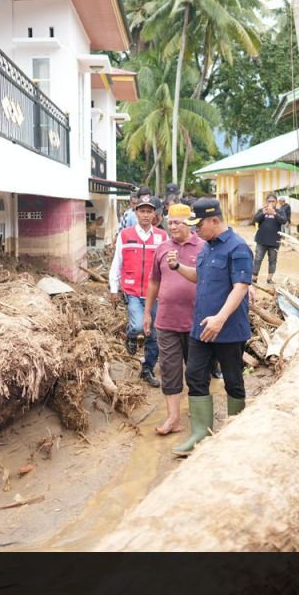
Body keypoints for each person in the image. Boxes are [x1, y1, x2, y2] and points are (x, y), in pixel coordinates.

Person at [167, 197, 254, 456]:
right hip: (201, 327)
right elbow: (199, 276)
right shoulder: (207, 247)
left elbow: (241, 287)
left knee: (233, 380)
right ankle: (200, 433)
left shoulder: (238, 247)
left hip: (228, 330)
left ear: (215, 220)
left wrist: (220, 319)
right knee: (194, 376)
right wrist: (177, 266)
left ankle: (234, 434)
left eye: (199, 225)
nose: (195, 231)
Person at [144, 203, 204, 436]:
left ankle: (200, 415)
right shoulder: (161, 248)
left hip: (196, 321)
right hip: (166, 321)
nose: (173, 226)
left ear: (189, 223)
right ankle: (173, 418)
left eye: (177, 222)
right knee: (169, 370)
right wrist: (148, 313)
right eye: (170, 222)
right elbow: (154, 282)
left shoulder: (203, 246)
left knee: (197, 371)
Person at [109, 191, 168, 387]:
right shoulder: (125, 235)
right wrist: (113, 288)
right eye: (141, 211)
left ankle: (147, 369)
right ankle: (131, 335)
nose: (145, 215)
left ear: (154, 215)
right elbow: (117, 262)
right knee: (137, 326)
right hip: (132, 291)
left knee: (153, 333)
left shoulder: (162, 237)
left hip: (156, 293)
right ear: (135, 213)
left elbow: (167, 265)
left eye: (148, 211)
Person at [251, 193, 287, 285]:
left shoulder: (279, 212)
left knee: (272, 260)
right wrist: (263, 213)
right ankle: (254, 278)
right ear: (266, 202)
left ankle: (269, 279)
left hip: (274, 241)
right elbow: (254, 220)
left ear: (276, 202)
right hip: (261, 240)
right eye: (269, 201)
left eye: (273, 201)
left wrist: (274, 214)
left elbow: (284, 221)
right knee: (258, 259)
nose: (271, 203)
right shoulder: (262, 211)